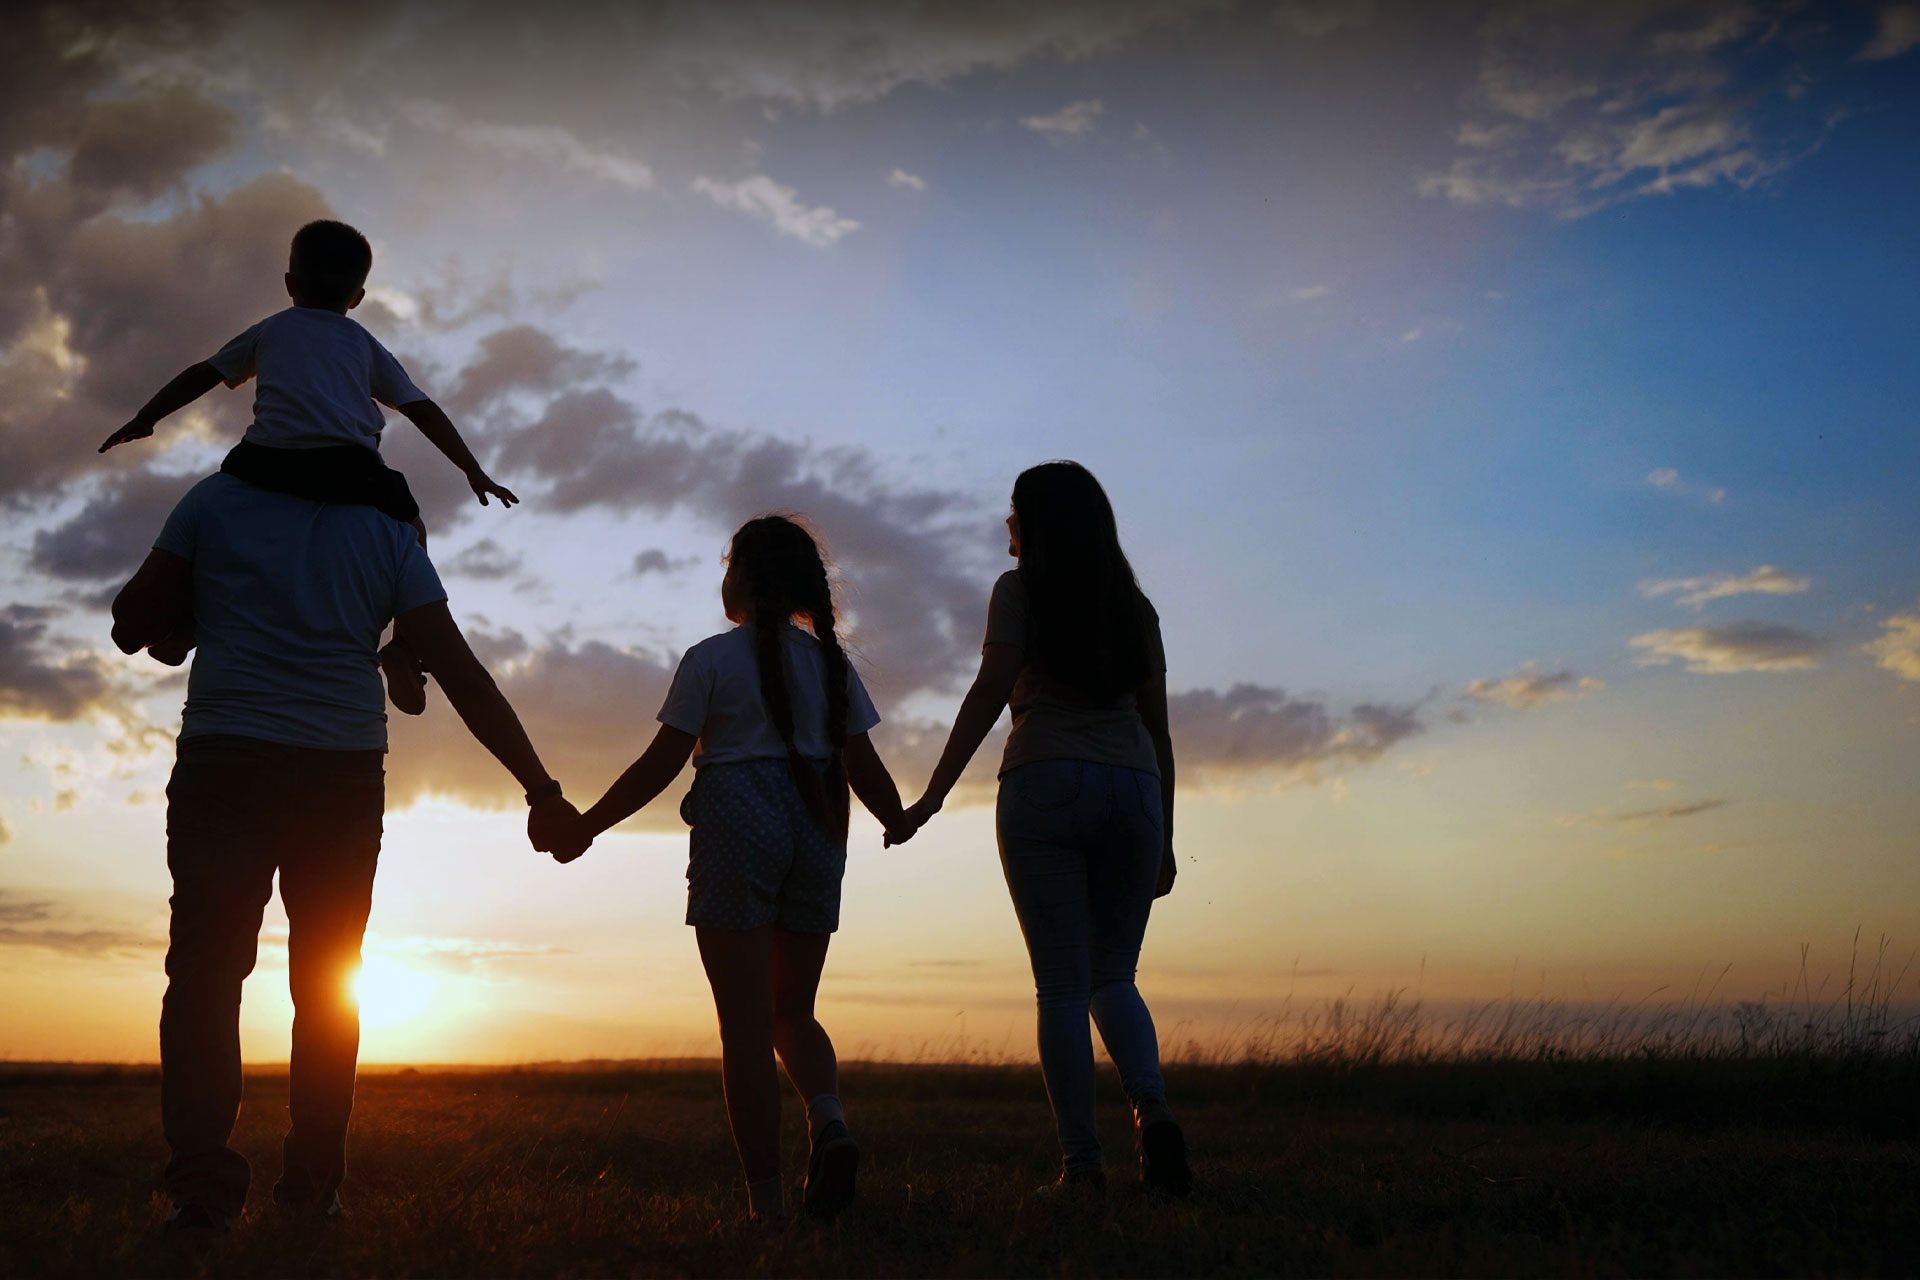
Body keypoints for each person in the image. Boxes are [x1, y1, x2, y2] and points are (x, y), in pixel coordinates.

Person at [110, 470, 585, 1231]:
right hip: (339, 771)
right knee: (329, 980)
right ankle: (311, 1193)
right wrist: (541, 790)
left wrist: (213, 598)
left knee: (204, 974)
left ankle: (201, 1195)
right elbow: (460, 672)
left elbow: (133, 626)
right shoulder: (390, 534)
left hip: (227, 758)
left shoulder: (214, 502)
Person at [552, 515, 912, 1223]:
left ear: (742, 577)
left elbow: (661, 763)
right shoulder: (830, 666)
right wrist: (897, 818)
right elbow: (861, 762)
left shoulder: (710, 659)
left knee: (745, 1029)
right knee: (793, 1011)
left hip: (738, 824)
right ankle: (829, 1120)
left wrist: (587, 825)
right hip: (818, 829)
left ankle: (767, 1209)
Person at [892, 460, 1189, 1198]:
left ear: (1038, 523)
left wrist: (933, 795)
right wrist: (1166, 835)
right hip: (1136, 789)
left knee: (1060, 986)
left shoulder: (1019, 590)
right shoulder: (1135, 608)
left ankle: (1082, 1166)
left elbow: (991, 689)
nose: (1007, 525)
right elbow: (1158, 727)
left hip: (1045, 780)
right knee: (1114, 976)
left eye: (1014, 512)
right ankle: (1152, 1110)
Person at [97, 218, 515, 711]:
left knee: (219, 523)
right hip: (349, 468)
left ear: (290, 284)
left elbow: (203, 373)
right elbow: (421, 407)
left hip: (265, 461)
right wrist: (472, 469)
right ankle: (403, 647)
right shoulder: (362, 342)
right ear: (357, 297)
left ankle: (186, 624)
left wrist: (147, 417)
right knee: (413, 529)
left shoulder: (271, 329)